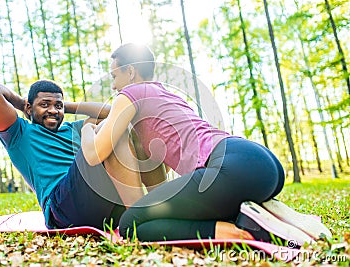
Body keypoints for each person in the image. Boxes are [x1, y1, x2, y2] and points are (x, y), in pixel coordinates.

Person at [80, 43, 332, 245]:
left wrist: (87, 129)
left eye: (114, 75)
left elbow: (94, 154)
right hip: (260, 165)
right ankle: (268, 217)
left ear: (131, 71)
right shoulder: (166, 96)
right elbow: (161, 178)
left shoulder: (130, 94)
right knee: (162, 211)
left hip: (229, 168)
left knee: (130, 224)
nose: (113, 85)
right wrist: (69, 106)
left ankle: (237, 232)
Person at [0, 79, 149, 230]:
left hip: (105, 210)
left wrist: (65, 106)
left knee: (125, 127)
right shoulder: (20, 133)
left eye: (57, 106)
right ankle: (139, 217)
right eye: (44, 104)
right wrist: (22, 104)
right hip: (62, 210)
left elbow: (112, 113)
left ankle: (150, 205)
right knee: (113, 130)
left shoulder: (73, 129)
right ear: (29, 107)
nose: (53, 110)